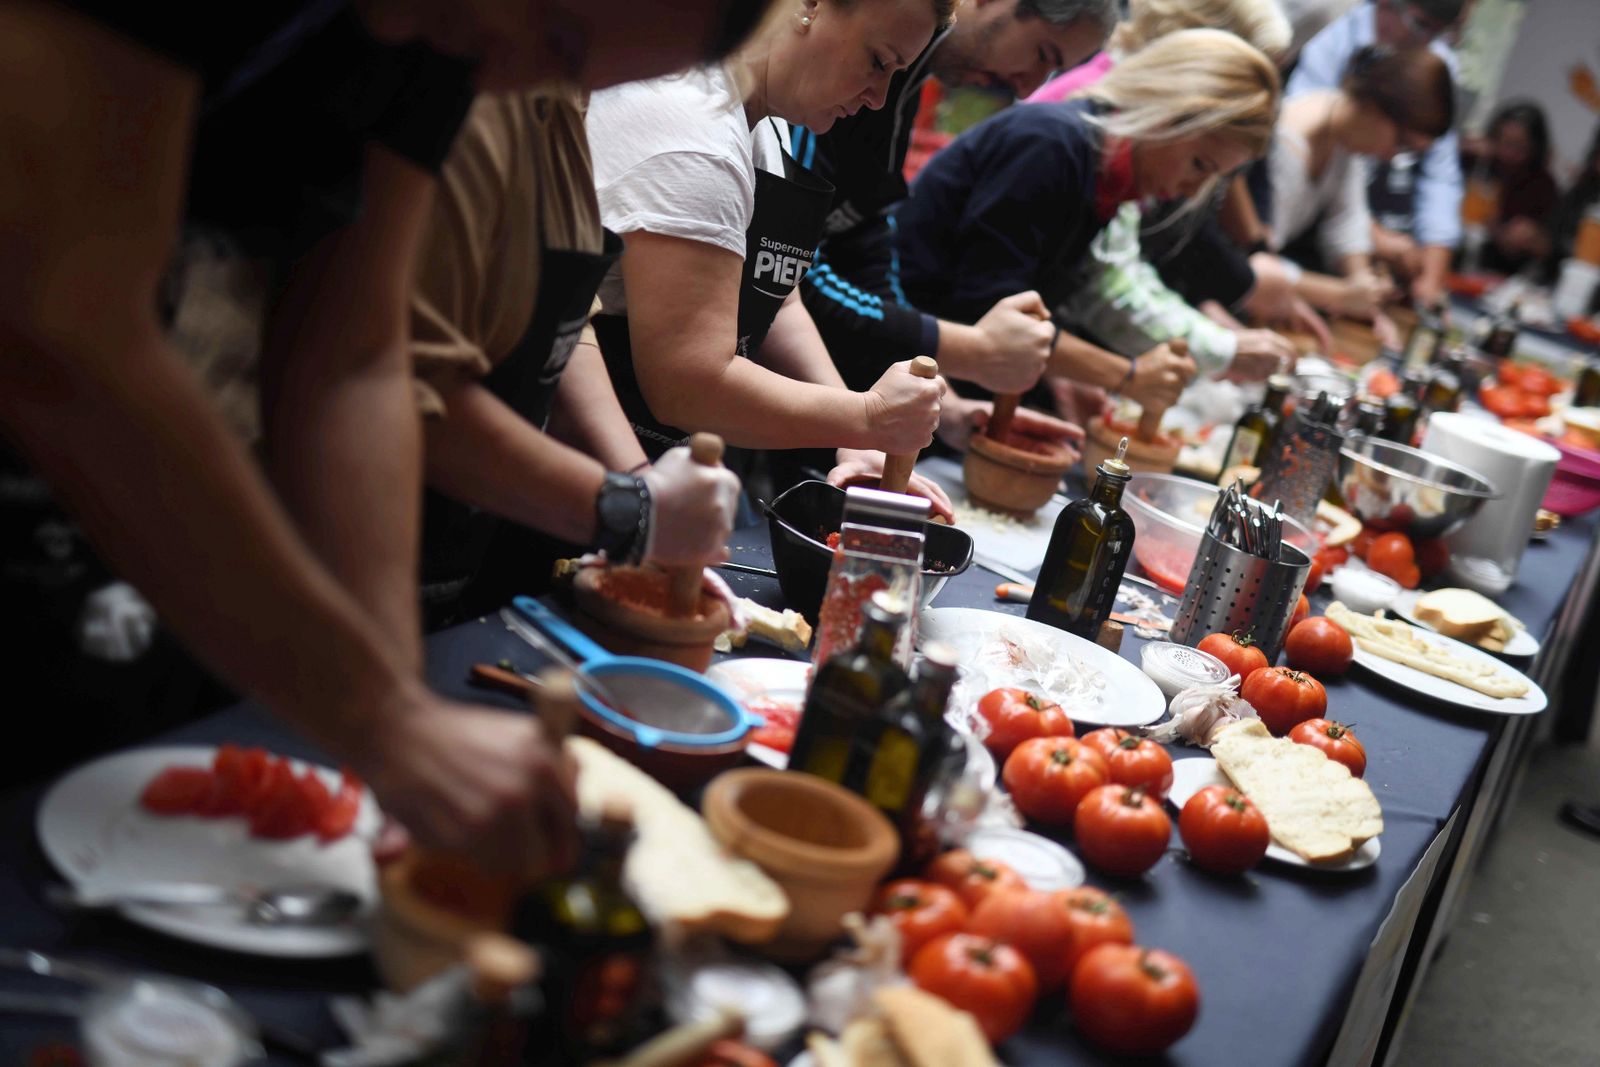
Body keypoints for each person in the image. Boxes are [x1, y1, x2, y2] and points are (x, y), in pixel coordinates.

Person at [0, 0, 771, 874]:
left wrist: (397, 717)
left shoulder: (456, 39)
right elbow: (60, 333)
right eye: (558, 38)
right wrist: (383, 719)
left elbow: (355, 361)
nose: (512, 87)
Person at [586, 0, 958, 517]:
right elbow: (689, 383)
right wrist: (867, 416)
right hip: (583, 476)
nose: (878, 99)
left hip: (661, 464)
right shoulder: (697, 140)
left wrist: (858, 440)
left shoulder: (765, 119)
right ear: (809, 7)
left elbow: (779, 301)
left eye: (896, 74)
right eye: (877, 60)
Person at [408, 89, 742, 629]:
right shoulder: (480, 101)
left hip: (459, 554)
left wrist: (643, 486)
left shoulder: (569, 104)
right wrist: (629, 511)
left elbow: (564, 316)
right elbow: (412, 396)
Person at [891, 30, 1281, 423]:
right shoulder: (1051, 145)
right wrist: (1127, 376)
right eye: (1199, 165)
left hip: (942, 381)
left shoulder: (1107, 173)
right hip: (895, 366)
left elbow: (1039, 301)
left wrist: (1062, 376)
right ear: (1166, 112)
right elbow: (990, 309)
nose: (1190, 189)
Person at [792, 0, 1119, 416]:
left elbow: (861, 235)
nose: (1027, 88)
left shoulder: (904, 79)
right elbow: (794, 274)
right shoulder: (864, 82)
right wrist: (969, 351)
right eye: (1042, 54)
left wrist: (942, 404)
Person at [1027, 0, 1299, 384]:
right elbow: (1098, 286)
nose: (1191, 193)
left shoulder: (1128, 133)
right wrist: (1216, 348)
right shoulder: (1084, 131)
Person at [1266, 45, 1454, 347]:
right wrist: (1343, 295)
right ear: (1373, 107)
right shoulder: (1287, 140)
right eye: (1401, 142)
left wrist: (1364, 289)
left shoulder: (1342, 142)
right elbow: (1254, 264)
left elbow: (1347, 225)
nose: (1392, 156)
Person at [1287, 0, 1468, 308]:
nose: (1425, 42)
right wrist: (1347, 290)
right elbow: (1250, 262)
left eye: (1439, 34)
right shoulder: (1331, 33)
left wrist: (1427, 280)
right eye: (1420, 25)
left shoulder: (1350, 144)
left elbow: (1439, 179)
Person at [1461, 102, 1561, 275]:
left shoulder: (1542, 185)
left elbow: (1544, 251)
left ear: (1534, 149)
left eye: (1518, 146)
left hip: (1497, 271)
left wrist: (1529, 239)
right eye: (1502, 141)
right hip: (1454, 247)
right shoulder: (1477, 160)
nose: (1507, 152)